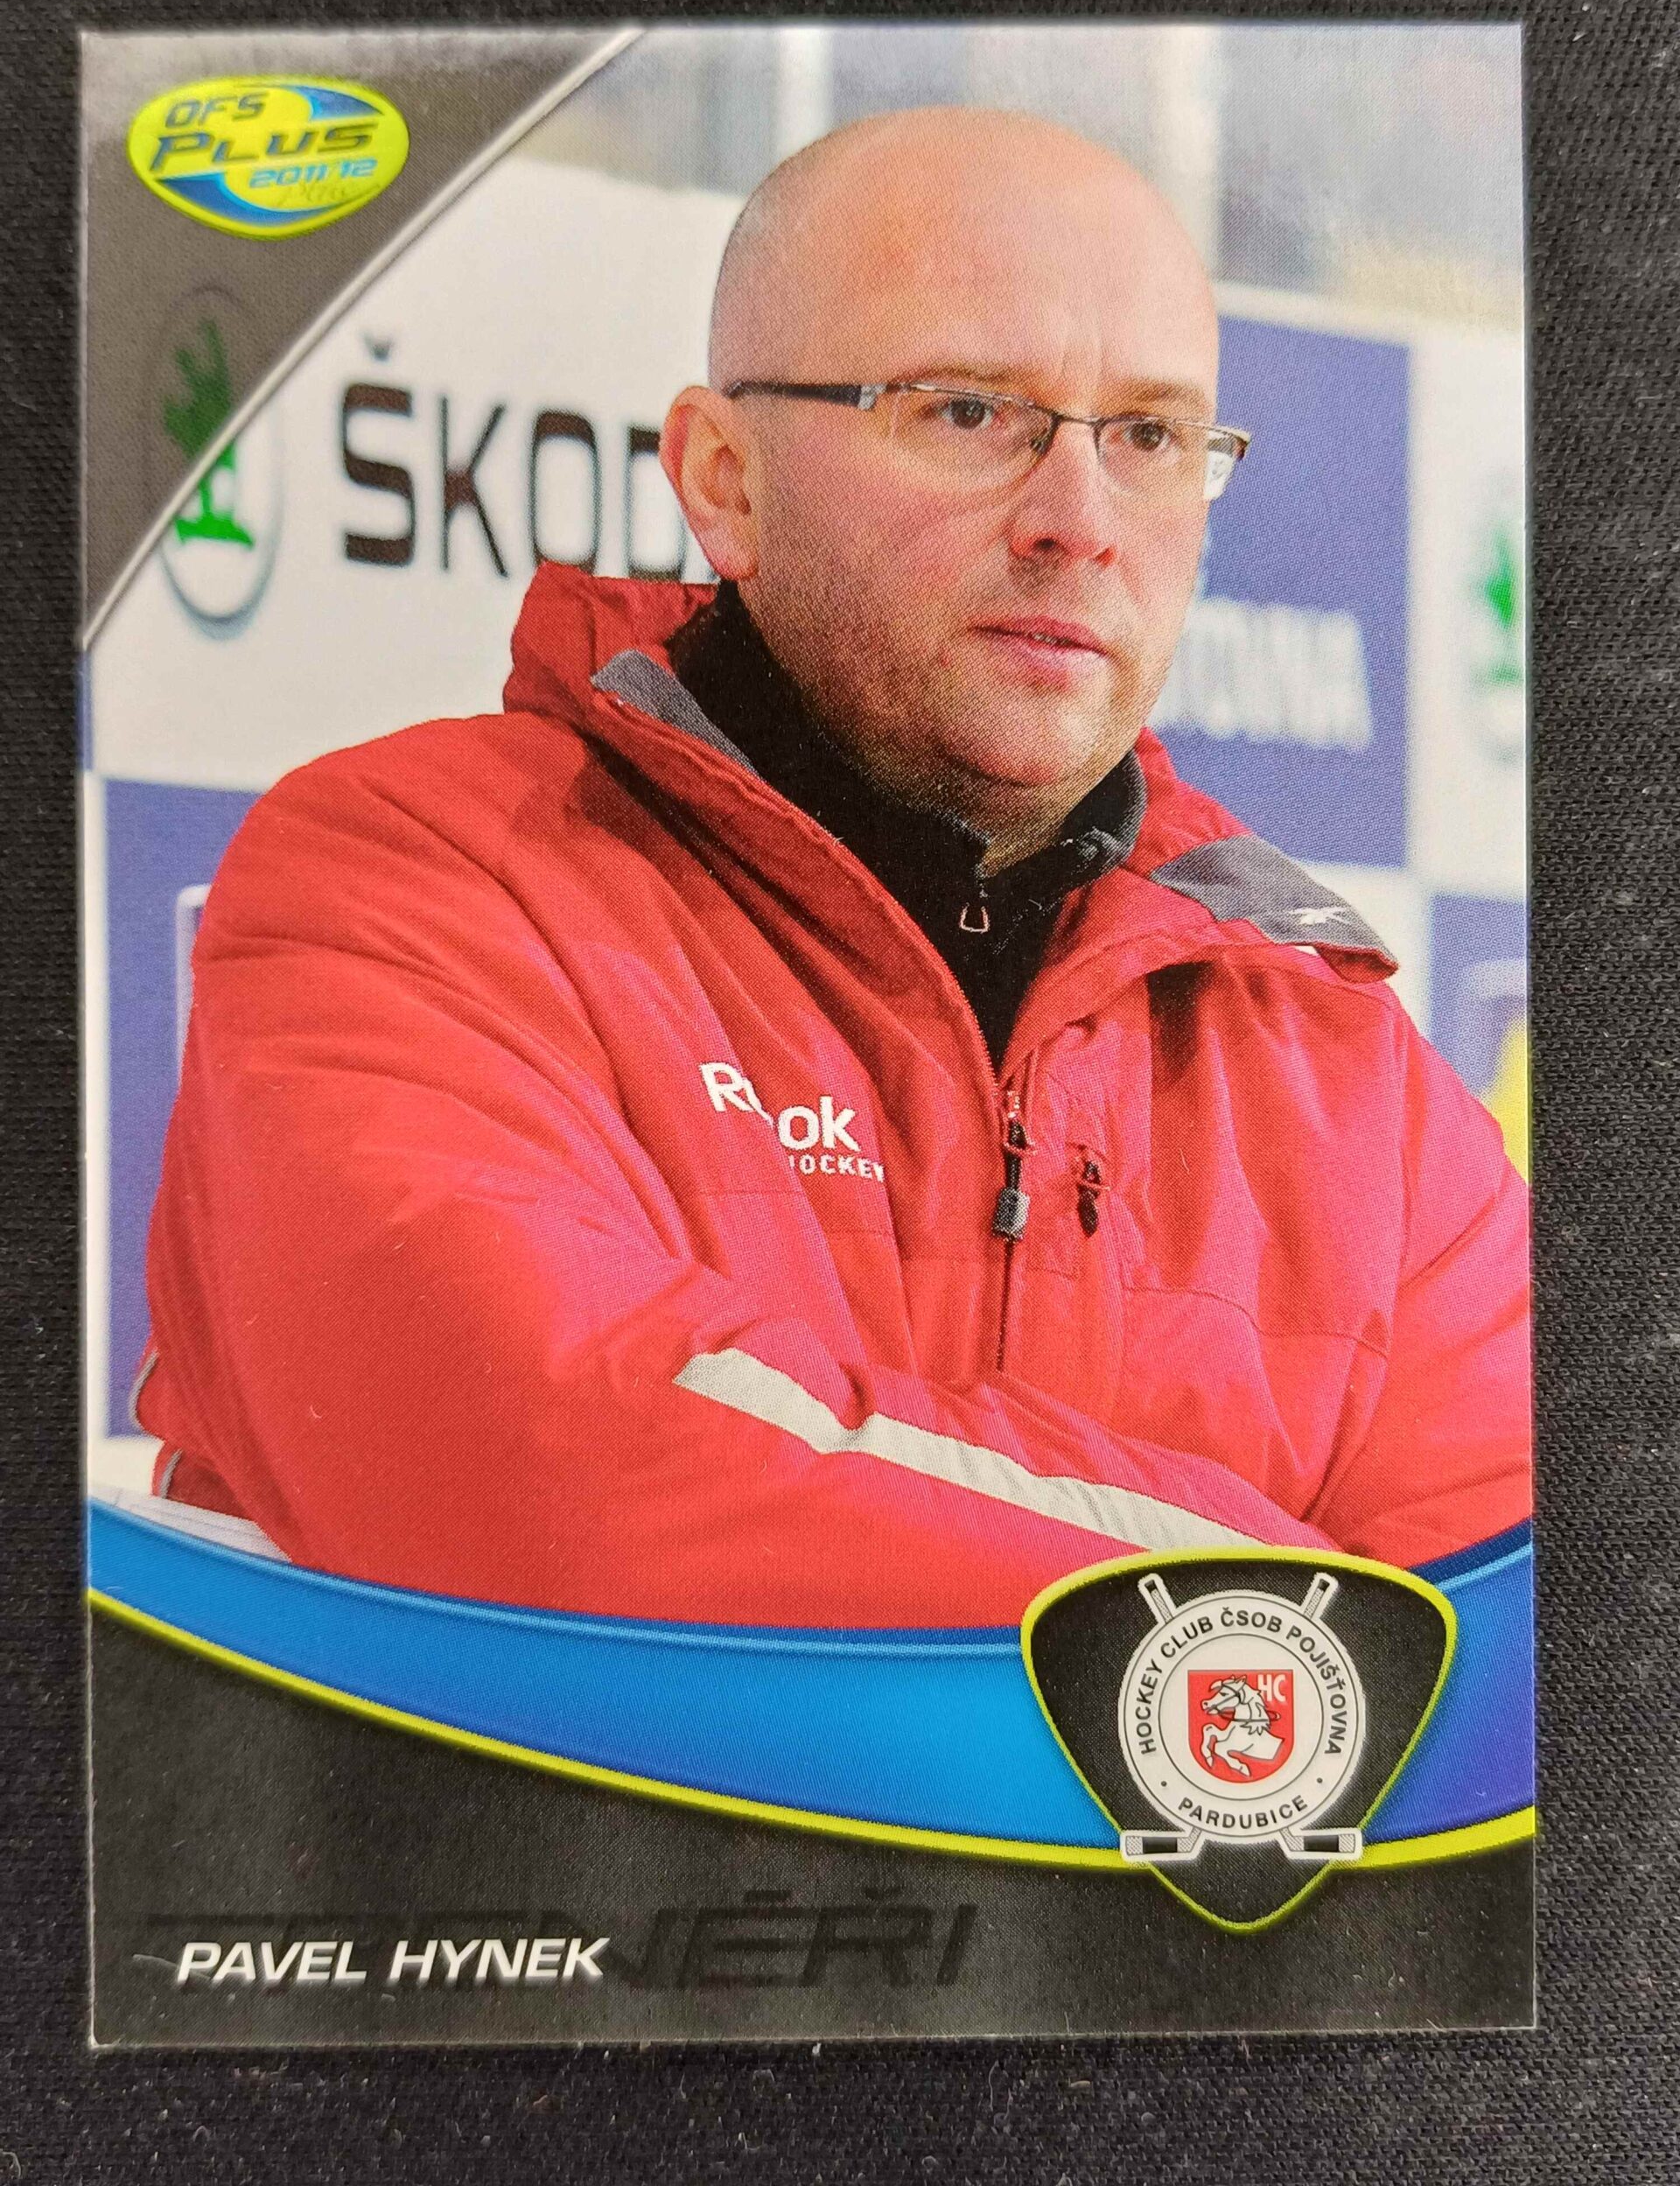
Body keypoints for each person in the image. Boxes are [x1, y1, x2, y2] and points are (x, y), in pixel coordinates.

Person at [134, 108, 1532, 1628]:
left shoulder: (1356, 1086)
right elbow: (552, 1472)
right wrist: (1288, 1611)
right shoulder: (416, 879)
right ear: (724, 481)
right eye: (968, 412)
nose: (1080, 522)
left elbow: (1511, 1657)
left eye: (1148, 437)